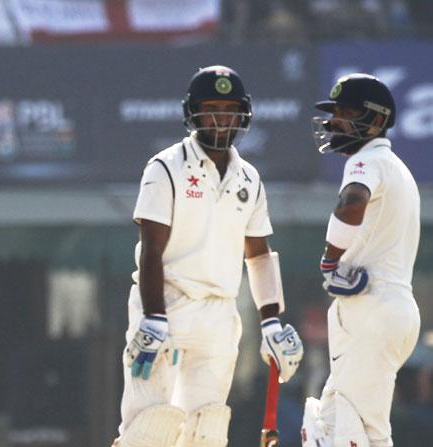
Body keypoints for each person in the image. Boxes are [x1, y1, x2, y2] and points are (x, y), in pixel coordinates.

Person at [111, 65, 303, 447]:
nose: (220, 118)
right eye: (211, 108)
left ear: (242, 114)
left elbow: (260, 254)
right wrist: (152, 317)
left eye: (229, 109)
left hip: (219, 313)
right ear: (192, 113)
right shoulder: (165, 167)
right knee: (149, 428)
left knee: (208, 429)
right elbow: (151, 247)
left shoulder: (249, 178)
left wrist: (271, 322)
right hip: (166, 303)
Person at [302, 73, 421, 447]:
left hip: (371, 309)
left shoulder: (366, 161)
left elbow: (351, 201)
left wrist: (329, 261)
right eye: (334, 114)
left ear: (375, 121)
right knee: (334, 425)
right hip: (389, 309)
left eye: (346, 113)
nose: (335, 123)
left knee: (362, 433)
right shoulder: (396, 168)